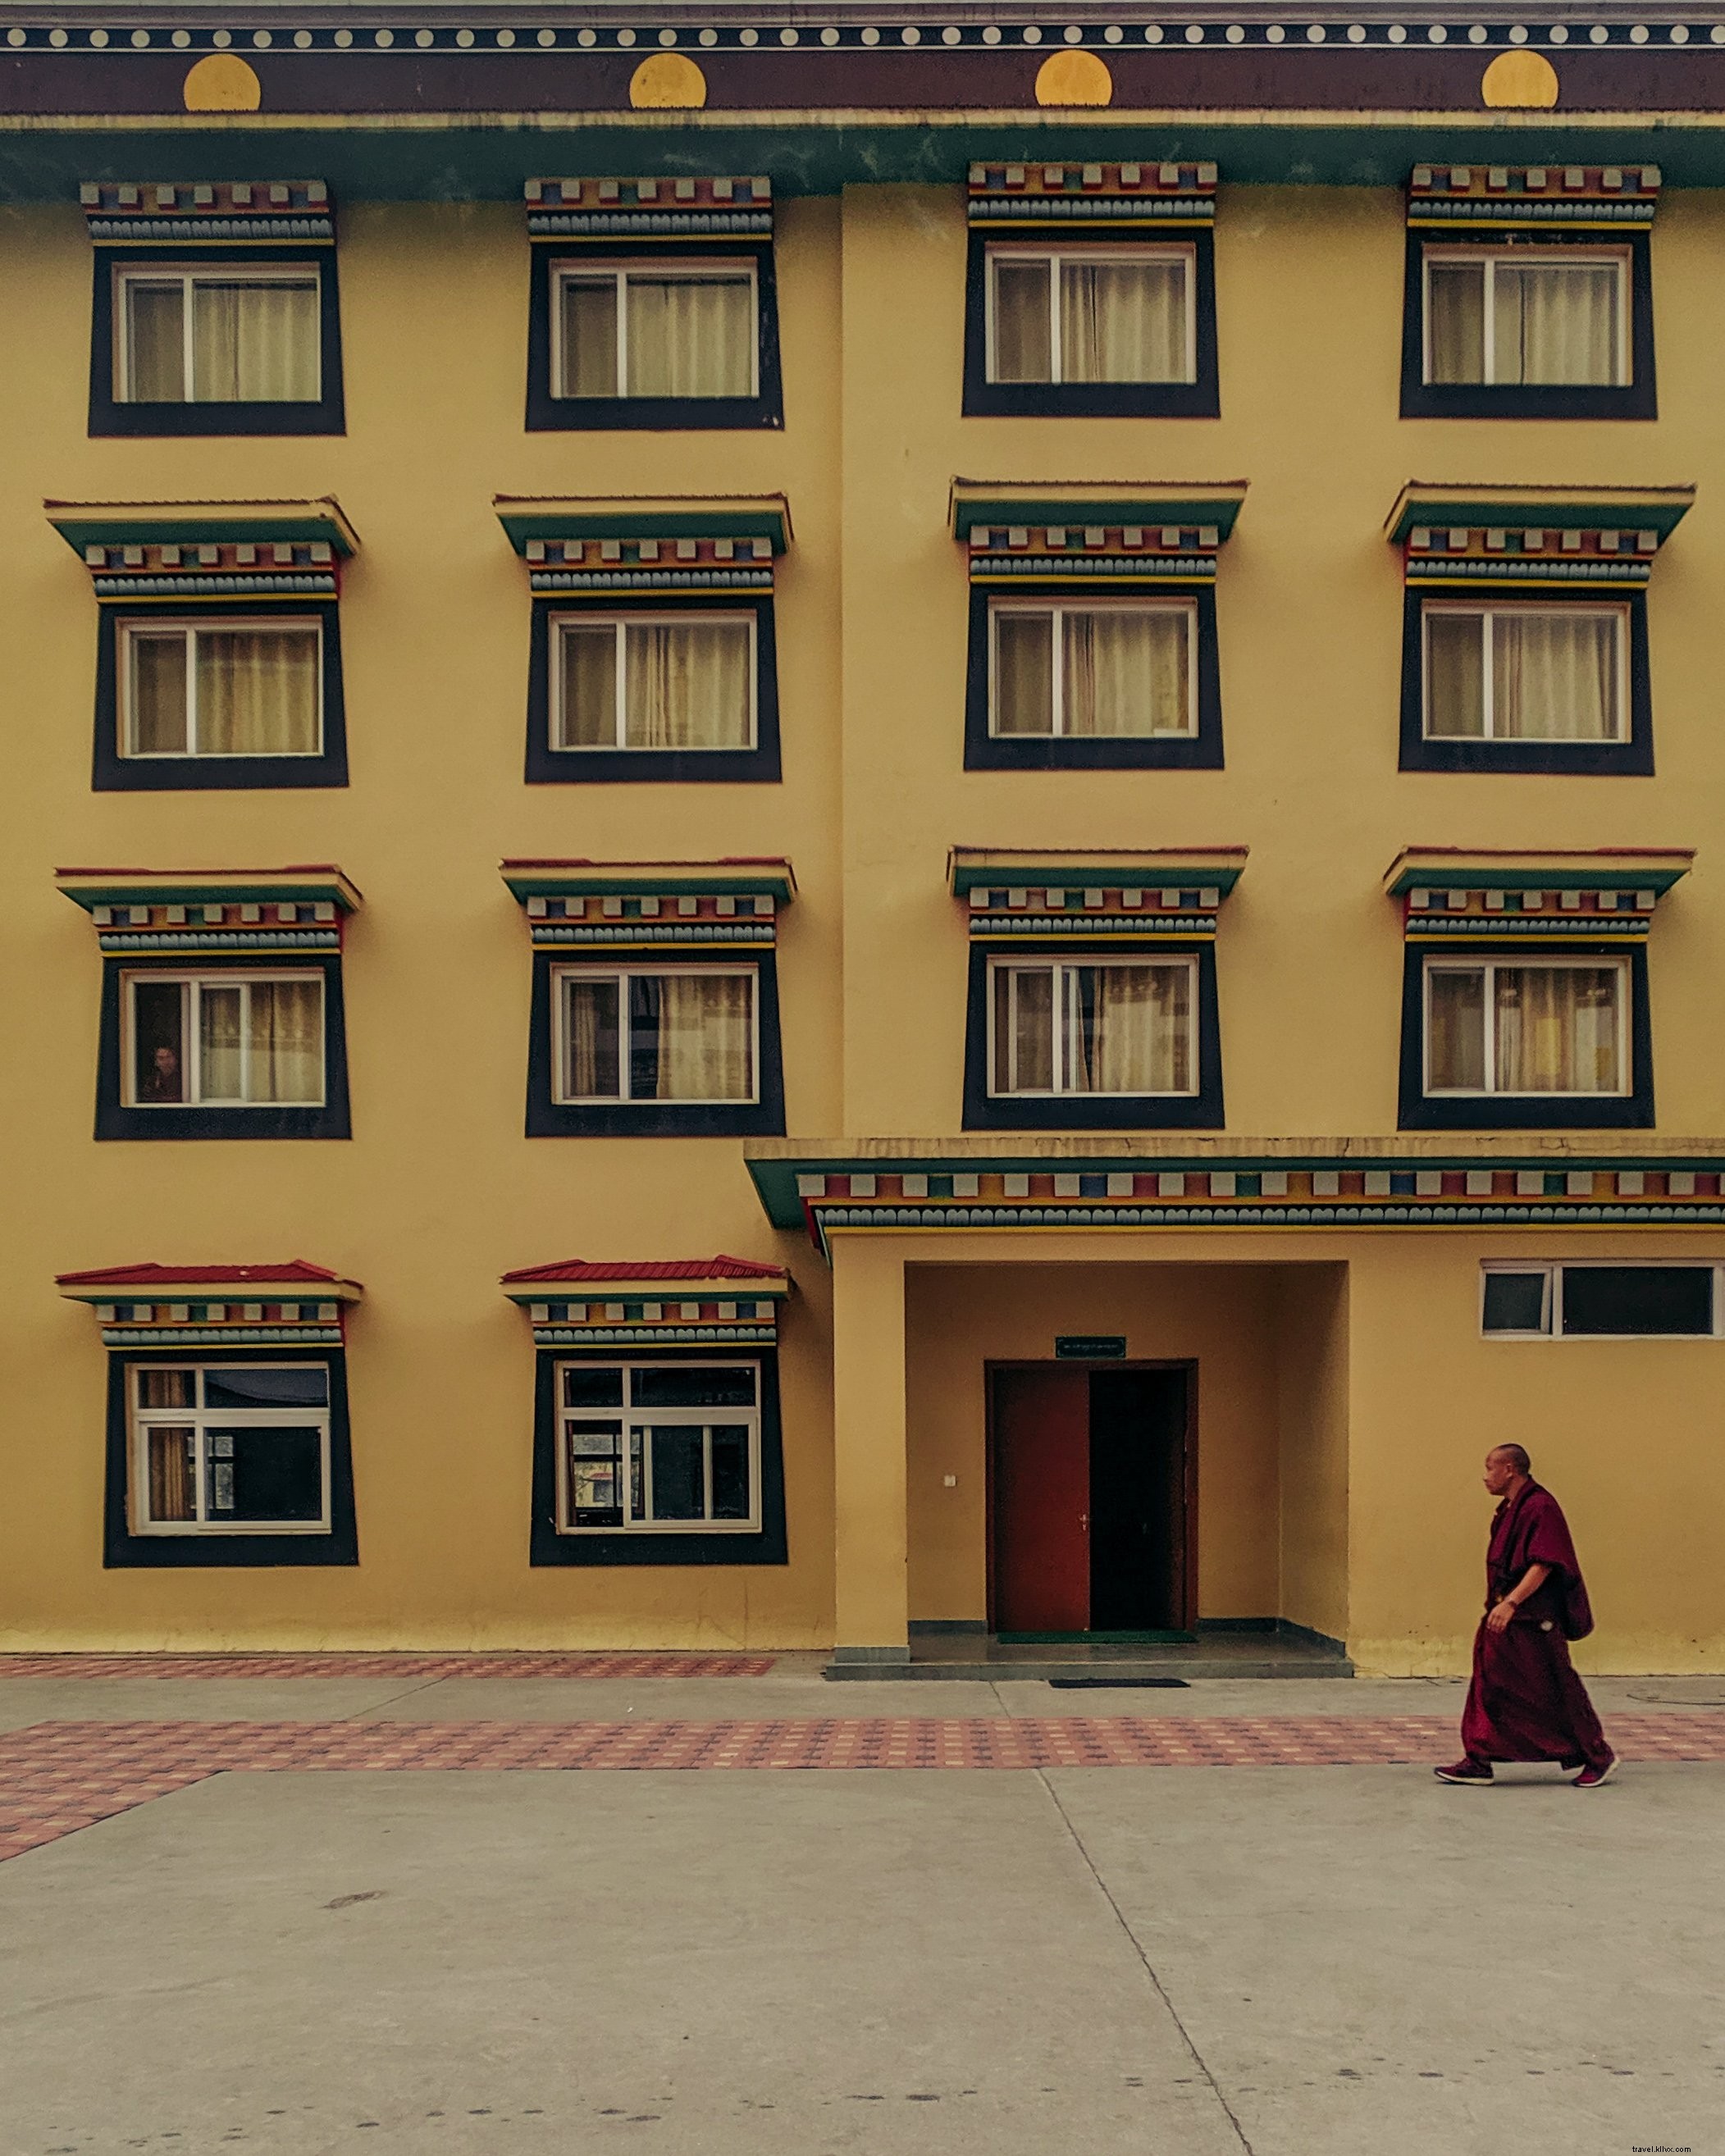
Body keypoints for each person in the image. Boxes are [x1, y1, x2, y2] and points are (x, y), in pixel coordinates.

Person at [1435, 1444, 1617, 1789]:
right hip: (1507, 1617)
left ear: (1509, 1469)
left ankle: (1597, 1755)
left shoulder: (1540, 1506)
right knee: (1490, 1685)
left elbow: (1544, 1562)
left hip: (1534, 1620)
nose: (1485, 1476)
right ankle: (1479, 1758)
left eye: (1490, 1468)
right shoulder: (1510, 1509)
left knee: (1555, 1686)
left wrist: (1512, 1603)